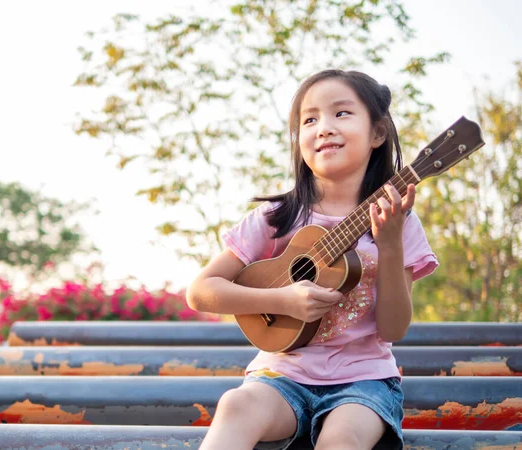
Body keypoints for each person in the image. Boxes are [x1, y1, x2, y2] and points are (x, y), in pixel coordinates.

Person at [186, 69, 438, 450]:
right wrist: (281, 300)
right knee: (235, 403)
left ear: (378, 134)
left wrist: (389, 247)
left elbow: (393, 329)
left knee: (341, 440)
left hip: (363, 381)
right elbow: (201, 291)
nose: (323, 127)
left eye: (341, 113)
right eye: (309, 119)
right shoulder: (278, 216)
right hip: (280, 374)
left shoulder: (397, 220)